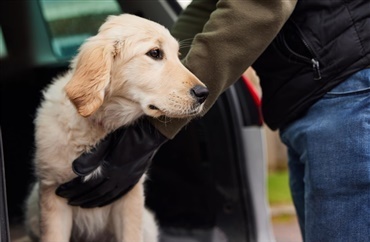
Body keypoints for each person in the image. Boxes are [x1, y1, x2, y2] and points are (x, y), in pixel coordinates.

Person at [57, 0, 370, 241]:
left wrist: (151, 132)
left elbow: (258, 5)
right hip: (316, 95)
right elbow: (209, 7)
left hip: (348, 90)